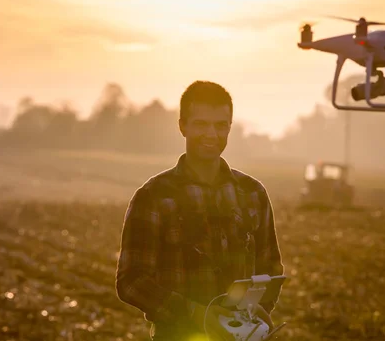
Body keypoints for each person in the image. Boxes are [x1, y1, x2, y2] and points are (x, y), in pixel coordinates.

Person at [115, 80, 285, 341]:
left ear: (230, 127)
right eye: (201, 124)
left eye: (220, 125)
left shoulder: (253, 194)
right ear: (182, 126)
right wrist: (197, 314)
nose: (212, 134)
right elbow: (131, 281)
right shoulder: (153, 197)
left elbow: (270, 266)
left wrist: (255, 311)